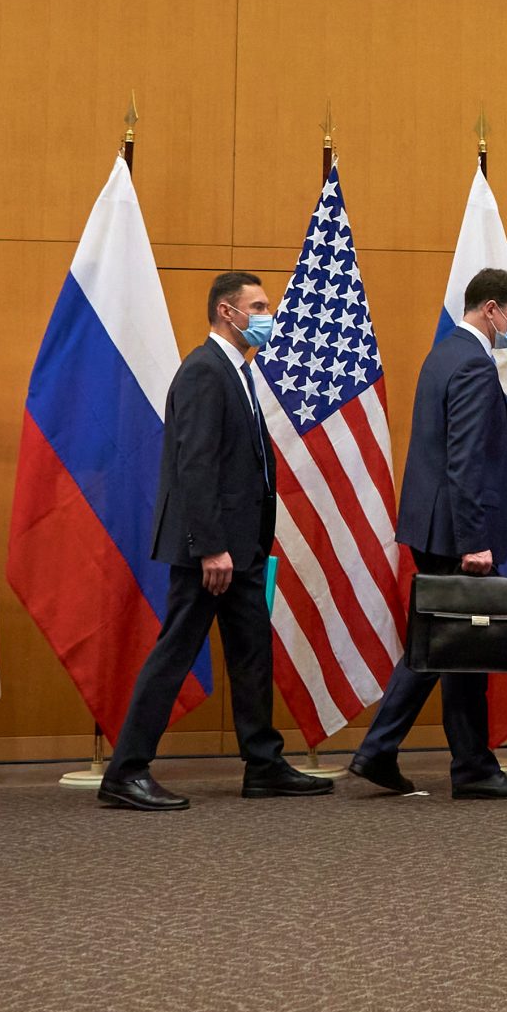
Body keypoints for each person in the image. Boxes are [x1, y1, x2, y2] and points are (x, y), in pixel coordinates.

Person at [101, 273, 329, 811]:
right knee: (176, 651)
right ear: (228, 312)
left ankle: (263, 763)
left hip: (242, 546)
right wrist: (209, 546)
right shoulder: (204, 371)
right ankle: (125, 770)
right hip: (213, 550)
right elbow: (194, 465)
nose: (269, 314)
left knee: (253, 653)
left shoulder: (239, 372)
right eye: (260, 306)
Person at [348, 269, 507, 800]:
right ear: (492, 309)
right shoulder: (475, 364)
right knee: (447, 644)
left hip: (434, 524)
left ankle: (427, 756)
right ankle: (447, 761)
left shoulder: (444, 353)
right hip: (459, 530)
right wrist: (474, 540)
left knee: (449, 645)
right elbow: (466, 461)